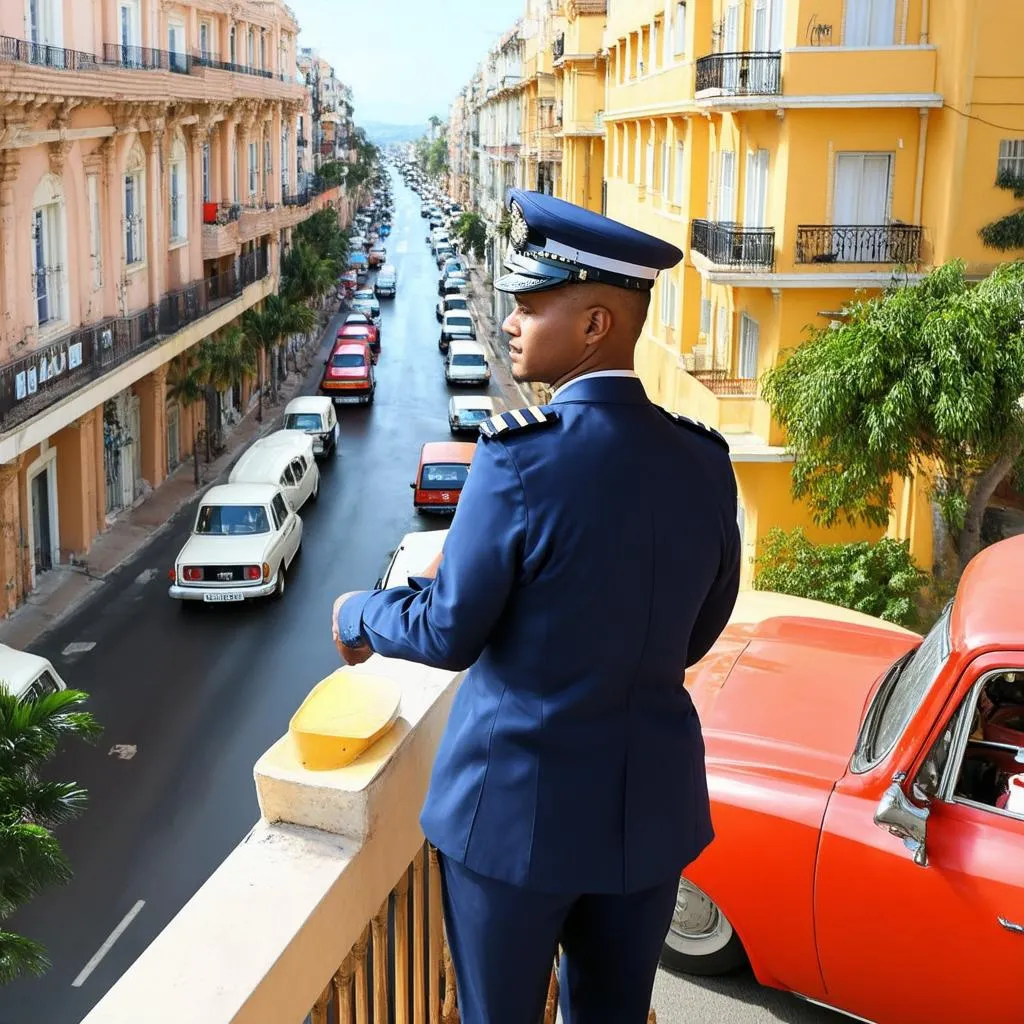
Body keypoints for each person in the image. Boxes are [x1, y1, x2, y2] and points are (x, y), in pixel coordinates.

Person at [332, 189, 741, 1024]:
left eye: (529, 304)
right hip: (645, 821)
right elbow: (699, 630)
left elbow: (448, 628)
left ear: (595, 326)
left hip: (515, 822)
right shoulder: (705, 463)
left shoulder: (516, 462)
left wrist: (357, 616)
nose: (512, 323)